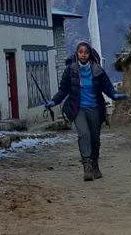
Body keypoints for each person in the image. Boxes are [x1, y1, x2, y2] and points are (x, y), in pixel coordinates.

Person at [45, 41, 126, 181]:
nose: (83, 55)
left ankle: (95, 164)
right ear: (77, 53)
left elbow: (107, 87)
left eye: (86, 52)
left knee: (95, 138)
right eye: (80, 52)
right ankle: (86, 166)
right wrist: (54, 101)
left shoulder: (97, 71)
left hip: (95, 108)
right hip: (78, 109)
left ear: (90, 54)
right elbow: (64, 90)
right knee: (84, 134)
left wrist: (115, 95)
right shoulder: (71, 70)